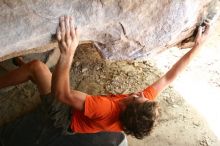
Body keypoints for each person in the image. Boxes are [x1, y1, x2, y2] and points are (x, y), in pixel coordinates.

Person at [0, 16, 210, 140]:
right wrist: (198, 46)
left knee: (37, 68)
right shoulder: (138, 106)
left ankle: (25, 74)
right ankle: (27, 72)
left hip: (64, 117)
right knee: (47, 76)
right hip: (77, 108)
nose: (139, 93)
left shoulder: (105, 109)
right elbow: (169, 77)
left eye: (137, 97)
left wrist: (68, 52)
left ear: (127, 107)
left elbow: (61, 94)